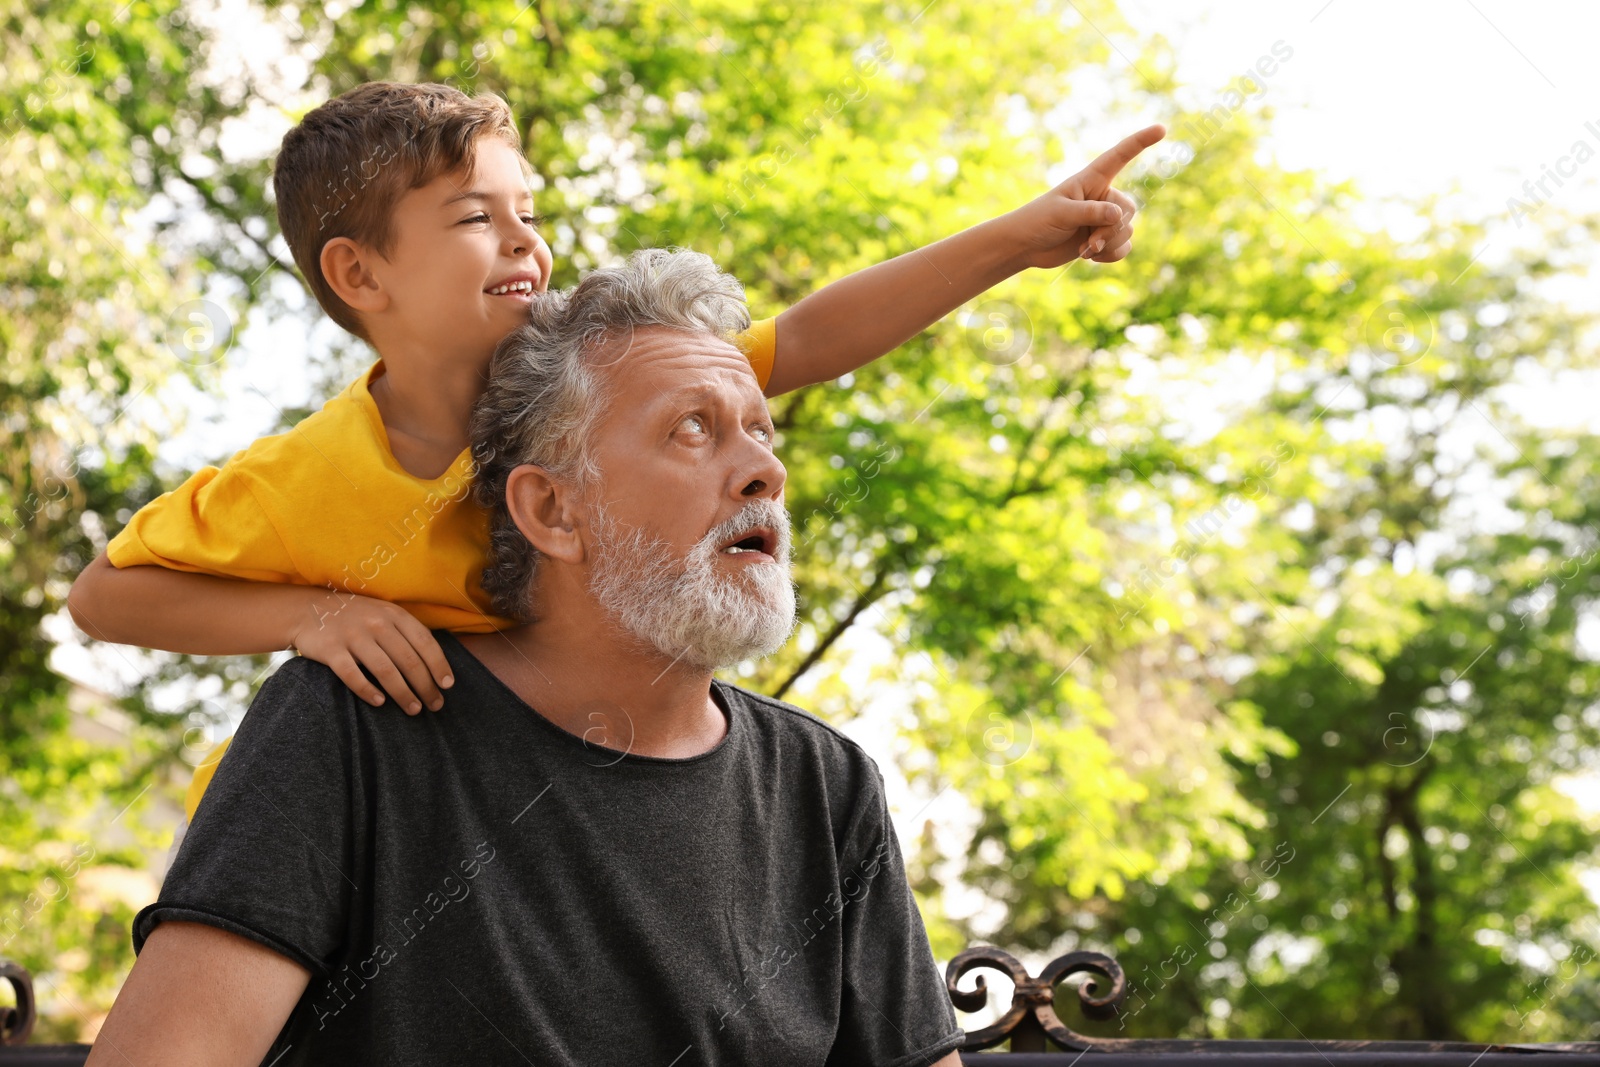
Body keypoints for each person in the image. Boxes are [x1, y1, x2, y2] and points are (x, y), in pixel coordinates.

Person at [65, 79, 1158, 821]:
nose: (525, 240)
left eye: (527, 210)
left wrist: (1021, 236)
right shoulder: (302, 477)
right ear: (360, 275)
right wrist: (314, 616)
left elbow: (811, 335)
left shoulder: (589, 390)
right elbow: (109, 597)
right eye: (472, 217)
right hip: (324, 834)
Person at [89, 250, 972, 1066]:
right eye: (693, 430)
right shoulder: (353, 727)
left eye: (760, 431)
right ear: (551, 511)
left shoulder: (828, 786)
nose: (762, 472)